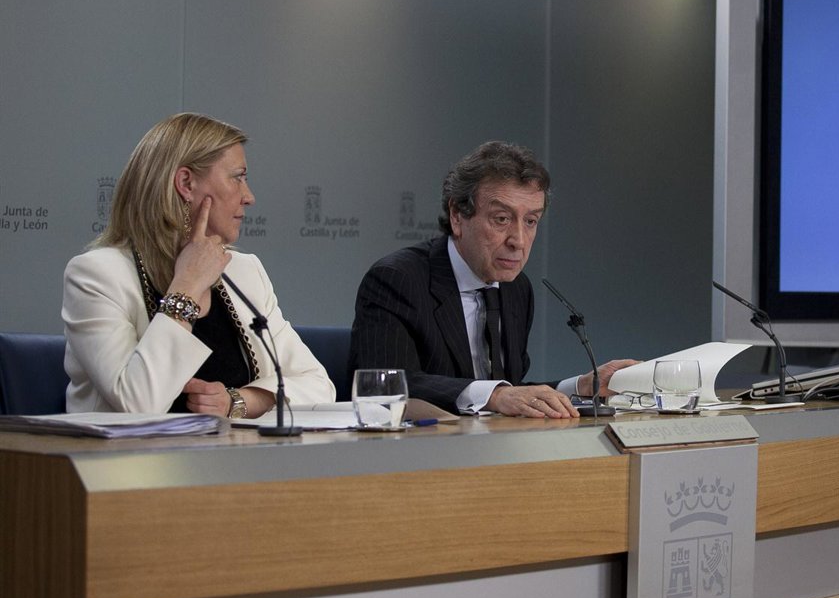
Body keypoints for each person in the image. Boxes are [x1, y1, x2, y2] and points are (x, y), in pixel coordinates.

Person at [62, 113, 335, 416]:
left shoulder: (243, 271)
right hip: (133, 448)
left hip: (234, 447)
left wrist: (236, 402)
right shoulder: (97, 275)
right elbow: (138, 404)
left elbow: (318, 385)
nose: (249, 197)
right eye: (238, 177)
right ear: (186, 183)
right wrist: (188, 285)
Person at [350, 141, 634, 417]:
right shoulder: (397, 280)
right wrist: (496, 396)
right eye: (501, 219)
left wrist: (582, 387)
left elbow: (512, 393)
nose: (518, 240)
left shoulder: (516, 288)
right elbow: (385, 387)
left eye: (530, 221)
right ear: (457, 216)